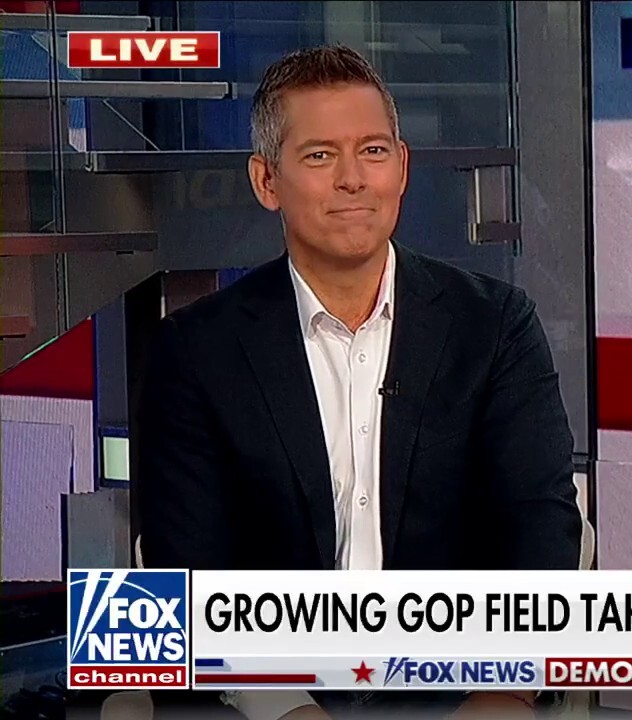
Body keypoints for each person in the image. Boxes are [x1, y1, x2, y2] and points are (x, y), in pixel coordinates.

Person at [137, 45, 581, 719]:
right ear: (266, 181)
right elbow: (188, 568)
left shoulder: (494, 326)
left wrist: (505, 689)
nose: (352, 180)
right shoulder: (195, 351)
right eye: (320, 156)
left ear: (401, 167)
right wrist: (285, 707)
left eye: (372, 151)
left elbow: (538, 525)